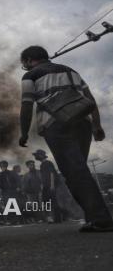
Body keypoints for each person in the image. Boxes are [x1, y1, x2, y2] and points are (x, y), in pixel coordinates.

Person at [18, 45, 113, 232]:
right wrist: (96, 124)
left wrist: (24, 132)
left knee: (75, 172)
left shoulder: (30, 76)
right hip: (83, 123)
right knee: (77, 170)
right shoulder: (72, 71)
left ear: (29, 60)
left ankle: (102, 219)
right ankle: (94, 218)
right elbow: (89, 99)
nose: (25, 66)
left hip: (56, 124)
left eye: (25, 62)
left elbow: (27, 104)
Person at [33, 150, 62, 223]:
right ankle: (53, 218)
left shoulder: (47, 163)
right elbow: (44, 177)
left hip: (50, 186)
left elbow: (51, 173)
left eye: (37, 155)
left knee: (53, 201)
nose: (36, 157)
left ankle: (57, 219)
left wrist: (52, 185)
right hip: (46, 186)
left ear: (41, 155)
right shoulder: (42, 164)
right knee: (47, 201)